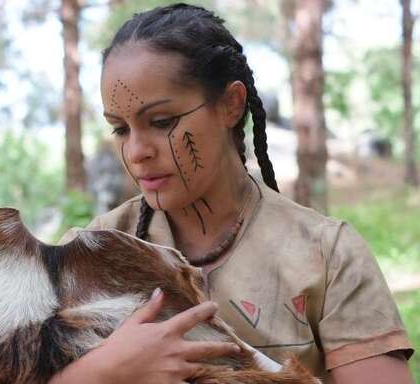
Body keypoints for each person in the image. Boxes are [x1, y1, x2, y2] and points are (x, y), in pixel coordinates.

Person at [51, 4, 414, 383]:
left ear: (231, 105)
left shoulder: (327, 256)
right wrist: (105, 370)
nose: (137, 151)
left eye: (161, 122)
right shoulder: (86, 258)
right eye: (120, 129)